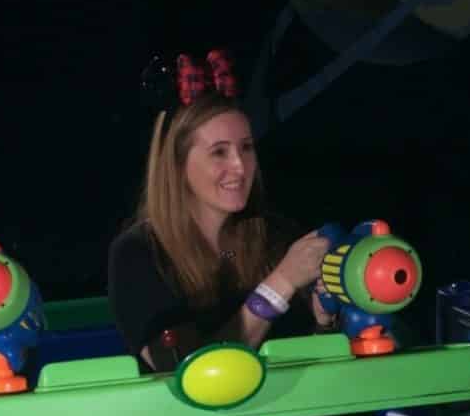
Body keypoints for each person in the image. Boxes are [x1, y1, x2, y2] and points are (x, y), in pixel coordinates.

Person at [108, 63, 335, 372]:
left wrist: (325, 321)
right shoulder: (138, 253)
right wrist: (280, 284)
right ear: (176, 166)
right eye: (219, 152)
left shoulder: (276, 234)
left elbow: (309, 367)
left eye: (246, 148)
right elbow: (191, 372)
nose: (241, 167)